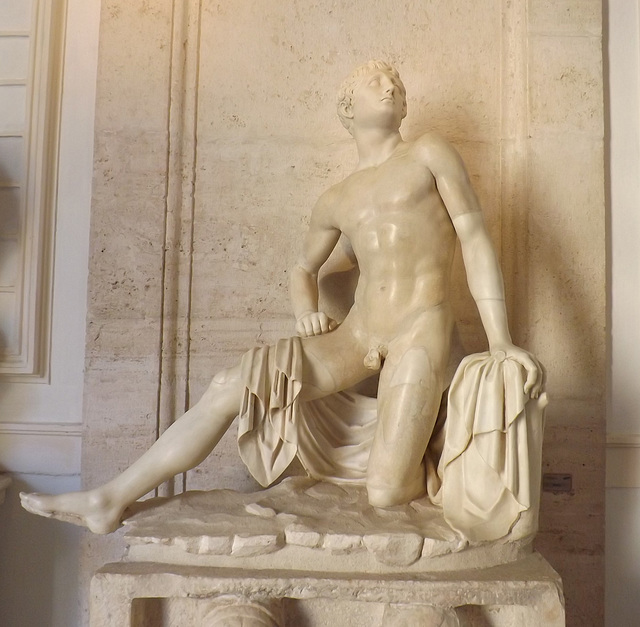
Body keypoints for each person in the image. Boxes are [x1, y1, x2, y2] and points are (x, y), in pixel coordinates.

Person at [20, 61, 543, 534]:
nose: (391, 86)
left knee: (386, 492)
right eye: (375, 82)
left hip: (421, 326)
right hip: (358, 332)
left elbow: (474, 236)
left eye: (396, 83)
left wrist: (502, 342)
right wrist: (306, 311)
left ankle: (435, 447)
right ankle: (110, 498)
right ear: (348, 107)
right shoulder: (336, 198)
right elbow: (303, 269)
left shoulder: (429, 153)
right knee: (230, 385)